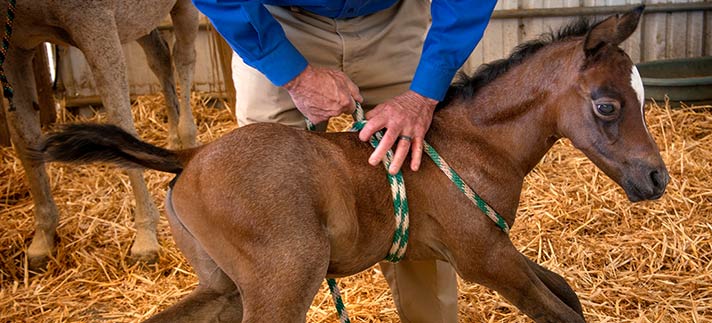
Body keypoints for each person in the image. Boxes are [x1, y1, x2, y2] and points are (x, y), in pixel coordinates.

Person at [192, 0, 497, 321]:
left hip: (394, 22)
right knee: (264, 208)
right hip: (274, 23)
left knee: (423, 189)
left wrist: (424, 93)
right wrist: (292, 74)